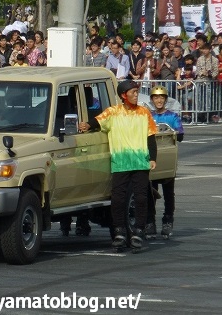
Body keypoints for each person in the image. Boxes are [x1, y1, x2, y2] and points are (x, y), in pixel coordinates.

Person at [78, 80, 157, 251]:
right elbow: (97, 122)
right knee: (118, 198)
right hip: (120, 163)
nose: (136, 95)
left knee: (141, 198)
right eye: (133, 92)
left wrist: (152, 158)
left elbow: (151, 137)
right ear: (123, 95)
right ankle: (119, 231)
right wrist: (86, 125)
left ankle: (138, 231)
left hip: (140, 162)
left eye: (137, 92)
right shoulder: (112, 113)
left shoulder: (144, 113)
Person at [146, 86, 184, 239]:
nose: (159, 100)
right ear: (152, 100)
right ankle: (150, 221)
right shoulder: (148, 116)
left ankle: (168, 220)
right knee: (150, 192)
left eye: (162, 97)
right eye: (156, 98)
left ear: (166, 100)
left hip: (167, 158)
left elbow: (180, 135)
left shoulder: (173, 117)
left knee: (168, 192)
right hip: (152, 158)